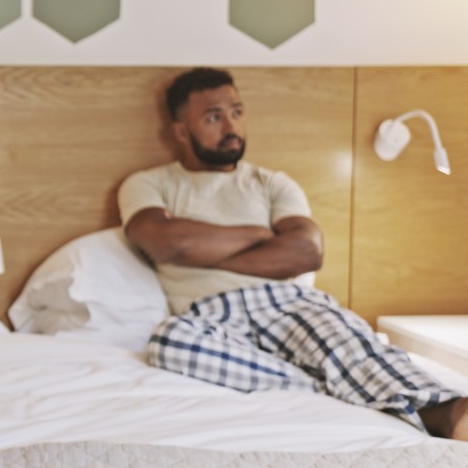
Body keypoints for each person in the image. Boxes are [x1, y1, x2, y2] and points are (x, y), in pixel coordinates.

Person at [118, 67, 468, 440]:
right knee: (169, 343)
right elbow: (166, 242)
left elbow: (305, 252)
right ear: (181, 131)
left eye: (236, 111)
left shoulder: (270, 183)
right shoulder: (149, 183)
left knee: (343, 339)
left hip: (283, 300)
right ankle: (327, 384)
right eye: (213, 117)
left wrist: (195, 248)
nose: (230, 125)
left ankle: (449, 413)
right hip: (206, 314)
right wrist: (257, 234)